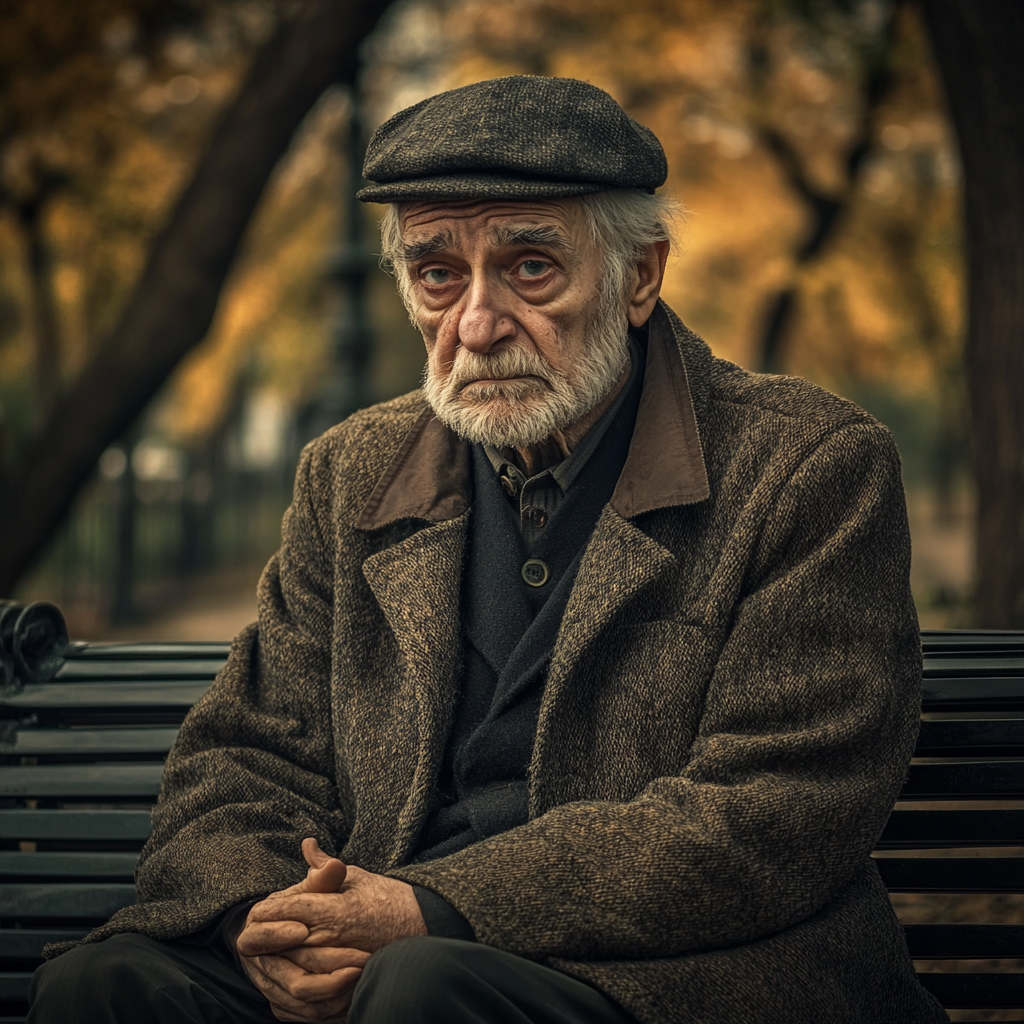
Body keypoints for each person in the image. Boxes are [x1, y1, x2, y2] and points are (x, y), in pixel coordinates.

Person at [28, 75, 949, 1024]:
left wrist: (432, 911)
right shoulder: (350, 472)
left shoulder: (807, 466)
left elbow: (775, 811)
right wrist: (265, 922)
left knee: (421, 988)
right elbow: (241, 754)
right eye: (438, 274)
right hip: (373, 963)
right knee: (103, 988)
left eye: (531, 267)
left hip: (672, 976)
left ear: (639, 276)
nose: (476, 322)